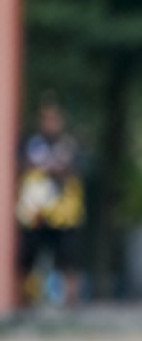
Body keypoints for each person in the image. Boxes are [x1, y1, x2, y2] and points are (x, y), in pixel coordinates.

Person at [16, 95, 85, 306]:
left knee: (68, 258)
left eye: (54, 119)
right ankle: (25, 302)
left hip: (64, 214)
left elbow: (77, 168)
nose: (50, 124)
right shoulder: (31, 145)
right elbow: (21, 166)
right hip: (35, 211)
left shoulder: (69, 145)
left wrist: (53, 170)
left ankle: (70, 302)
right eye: (46, 119)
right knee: (29, 257)